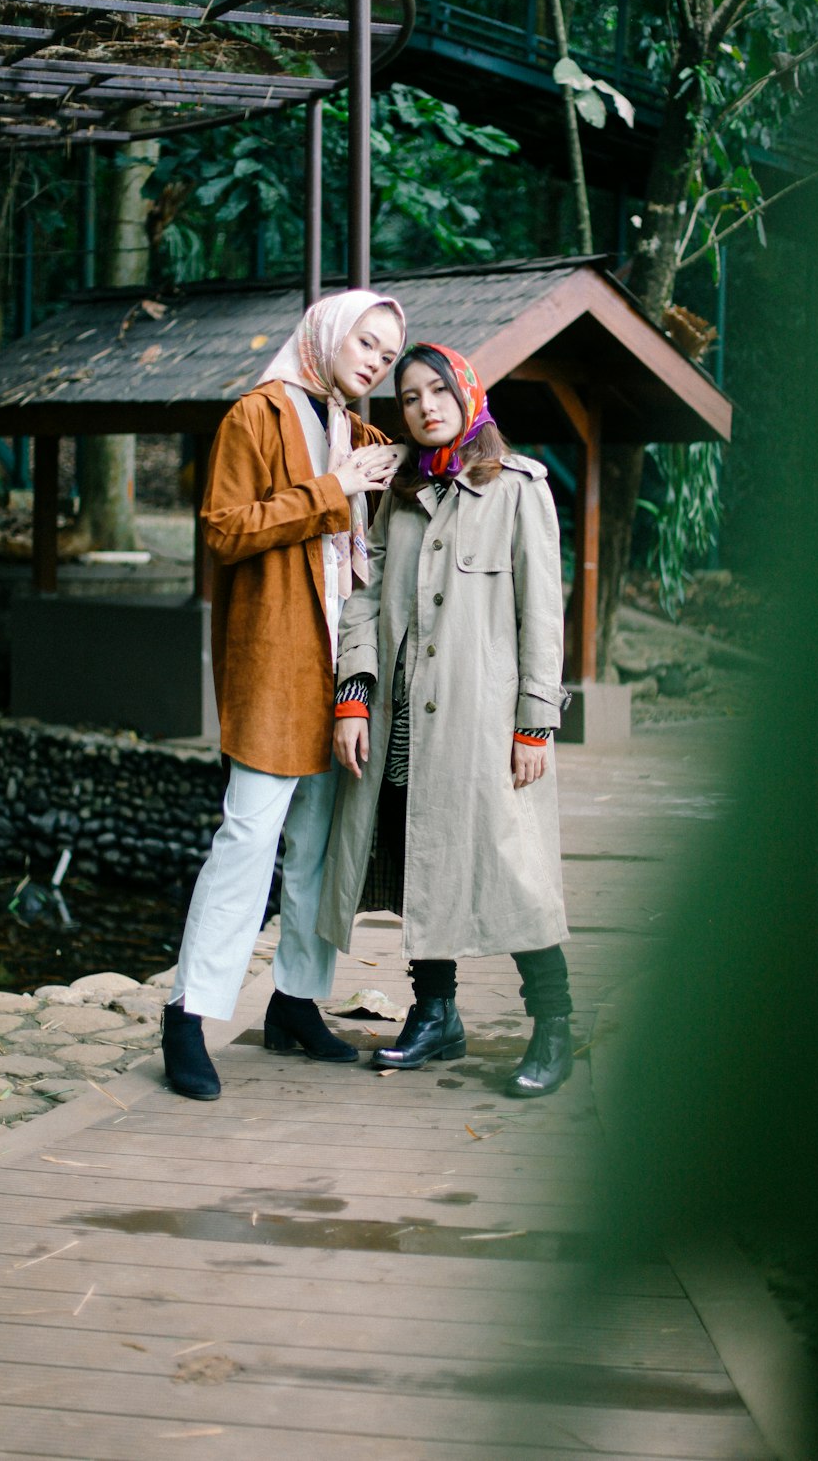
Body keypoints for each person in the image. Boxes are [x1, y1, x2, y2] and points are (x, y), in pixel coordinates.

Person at [161, 289, 406, 1101]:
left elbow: (424, 458)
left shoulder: (354, 426)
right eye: (366, 342)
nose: (375, 361)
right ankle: (189, 1014)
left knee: (317, 845)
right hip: (275, 656)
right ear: (329, 332)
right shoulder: (256, 416)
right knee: (248, 838)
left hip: (343, 663)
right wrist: (335, 490)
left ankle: (295, 1001)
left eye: (387, 354)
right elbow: (225, 529)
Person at [317, 343, 574, 1099]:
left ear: (467, 394)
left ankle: (553, 1024)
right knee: (421, 861)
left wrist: (535, 722)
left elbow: (544, 615)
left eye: (438, 391)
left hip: (485, 723)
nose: (426, 407)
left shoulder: (520, 488)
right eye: (410, 397)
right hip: (404, 720)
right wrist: (353, 694)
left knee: (517, 877)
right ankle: (435, 1013)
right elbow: (363, 598)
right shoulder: (395, 494)